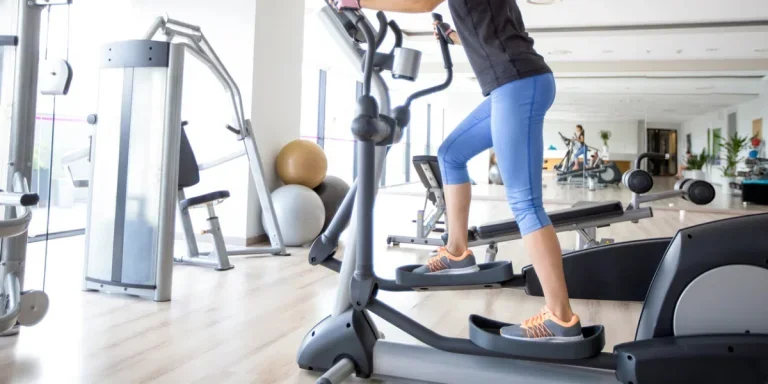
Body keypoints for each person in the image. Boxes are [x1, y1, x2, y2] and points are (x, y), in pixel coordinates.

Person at [332, 0, 583, 343]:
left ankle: (561, 318)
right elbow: (491, 32)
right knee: (451, 154)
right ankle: (456, 252)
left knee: (525, 203)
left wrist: (359, 2)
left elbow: (423, 2)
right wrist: (453, 35)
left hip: (517, 83)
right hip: (512, 83)